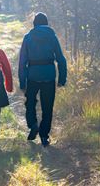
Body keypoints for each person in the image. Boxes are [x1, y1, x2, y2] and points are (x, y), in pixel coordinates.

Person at [18, 12, 67, 147]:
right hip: (49, 75)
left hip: (32, 76)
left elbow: (22, 62)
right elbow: (61, 59)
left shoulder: (28, 37)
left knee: (30, 103)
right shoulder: (52, 37)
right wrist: (62, 79)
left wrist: (22, 82)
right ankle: (44, 135)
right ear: (46, 23)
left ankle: (33, 124)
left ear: (34, 23)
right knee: (47, 107)